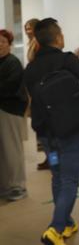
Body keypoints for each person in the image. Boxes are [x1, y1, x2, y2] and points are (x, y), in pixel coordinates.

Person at [24, 18, 79, 245]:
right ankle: (55, 228)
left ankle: (66, 221)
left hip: (46, 135)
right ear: (58, 38)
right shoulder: (67, 60)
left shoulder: (30, 68)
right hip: (70, 131)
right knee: (69, 179)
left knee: (58, 176)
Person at [0, 29, 28, 201]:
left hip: (11, 111)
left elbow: (9, 87)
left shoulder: (13, 62)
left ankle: (18, 186)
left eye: (3, 42)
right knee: (2, 152)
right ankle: (5, 185)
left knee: (12, 150)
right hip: (2, 110)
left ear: (9, 44)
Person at [25, 18, 49, 170]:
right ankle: (49, 156)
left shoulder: (38, 44)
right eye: (26, 28)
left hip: (40, 89)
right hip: (35, 89)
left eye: (30, 28)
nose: (28, 31)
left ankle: (51, 157)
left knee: (43, 127)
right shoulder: (32, 43)